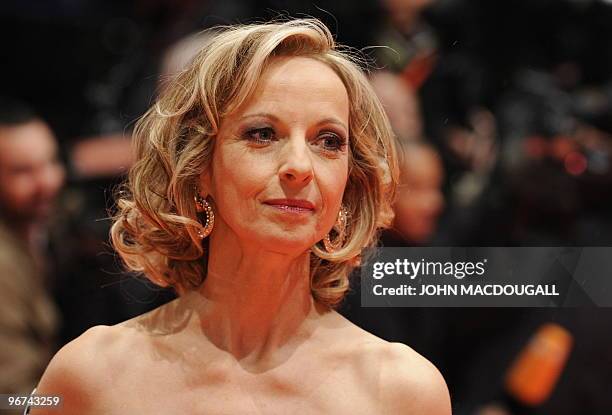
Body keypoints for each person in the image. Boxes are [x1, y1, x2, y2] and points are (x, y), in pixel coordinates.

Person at [32, 19, 451, 414]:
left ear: (348, 181)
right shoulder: (89, 375)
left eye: (328, 141)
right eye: (262, 134)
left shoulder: (404, 391)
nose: (300, 166)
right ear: (198, 167)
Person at [0, 98, 64, 406]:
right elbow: (8, 398)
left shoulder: (51, 223)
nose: (48, 182)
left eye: (51, 162)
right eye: (23, 172)